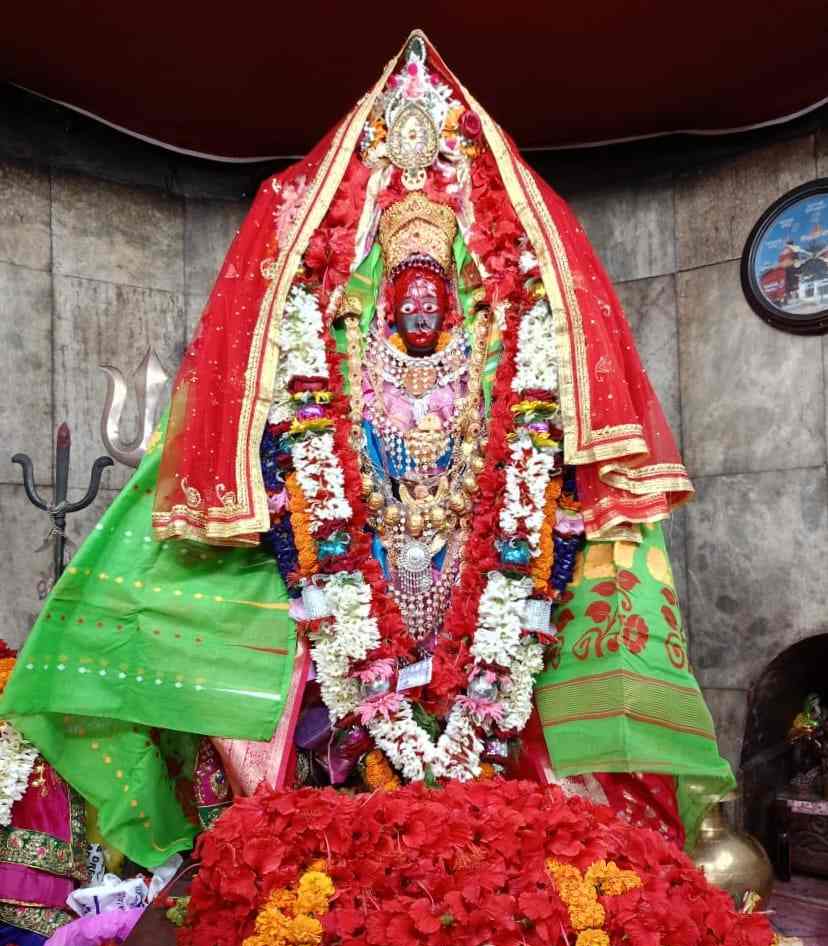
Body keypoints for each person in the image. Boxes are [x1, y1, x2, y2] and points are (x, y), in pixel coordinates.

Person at [2, 32, 734, 870]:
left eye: (433, 293)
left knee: (563, 609)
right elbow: (299, 461)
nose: (420, 308)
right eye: (404, 293)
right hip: (352, 583)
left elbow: (533, 453)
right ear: (381, 298)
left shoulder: (501, 363)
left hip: (487, 588)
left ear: (457, 300)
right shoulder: (338, 361)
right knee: (273, 628)